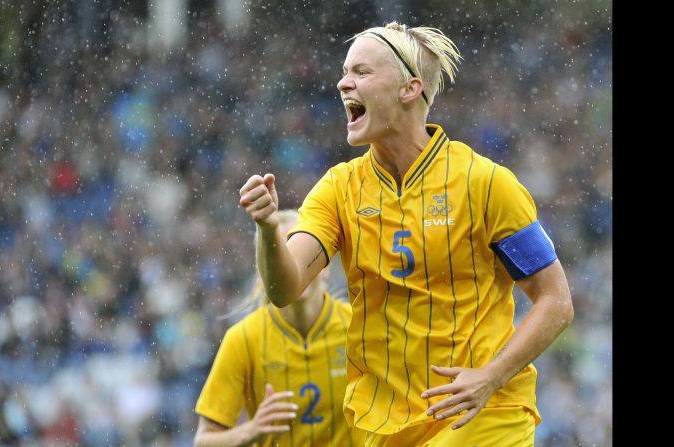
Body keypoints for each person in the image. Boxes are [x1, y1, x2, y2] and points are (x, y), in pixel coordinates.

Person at [238, 21, 574, 446]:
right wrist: (269, 229)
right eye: (344, 71)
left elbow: (556, 301)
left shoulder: (485, 183)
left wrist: (490, 376)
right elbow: (284, 290)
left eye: (362, 72)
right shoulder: (338, 189)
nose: (343, 83)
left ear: (409, 89)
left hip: (483, 415)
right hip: (384, 425)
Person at [193, 209, 365, 446]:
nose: (290, 269)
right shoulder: (243, 339)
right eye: (278, 259)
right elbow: (204, 441)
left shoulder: (360, 327)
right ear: (265, 273)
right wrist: (250, 431)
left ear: (324, 268)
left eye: (299, 256)